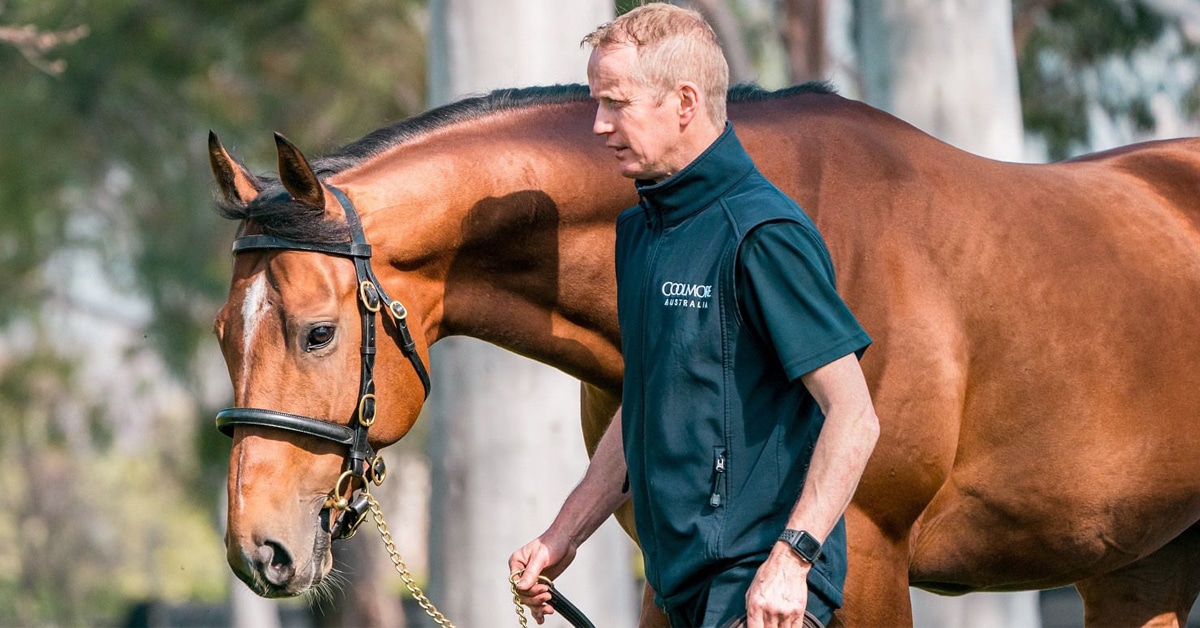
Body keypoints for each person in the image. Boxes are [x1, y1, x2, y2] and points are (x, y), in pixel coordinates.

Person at [509, 4, 879, 627]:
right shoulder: (639, 231)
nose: (599, 126)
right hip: (679, 586)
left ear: (684, 102)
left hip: (762, 594)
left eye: (616, 103)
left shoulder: (763, 233)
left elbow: (855, 416)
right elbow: (647, 401)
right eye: (597, 103)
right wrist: (563, 535)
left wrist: (792, 562)